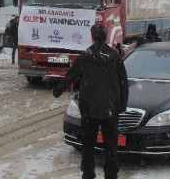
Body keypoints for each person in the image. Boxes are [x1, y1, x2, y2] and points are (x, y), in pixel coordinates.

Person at [52, 24, 129, 179]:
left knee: (88, 145)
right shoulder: (115, 57)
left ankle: (88, 174)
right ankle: (111, 174)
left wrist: (58, 90)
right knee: (110, 146)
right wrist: (121, 105)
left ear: (92, 37)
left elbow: (71, 76)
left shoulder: (85, 57)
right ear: (106, 37)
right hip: (110, 108)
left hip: (90, 109)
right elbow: (123, 83)